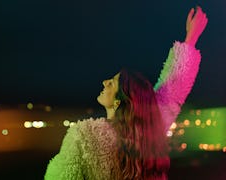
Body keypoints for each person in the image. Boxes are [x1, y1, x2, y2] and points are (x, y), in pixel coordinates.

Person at [44, 6, 208, 180]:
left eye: (112, 83)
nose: (104, 82)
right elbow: (173, 90)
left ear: (119, 102)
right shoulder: (147, 134)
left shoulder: (83, 137)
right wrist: (191, 38)